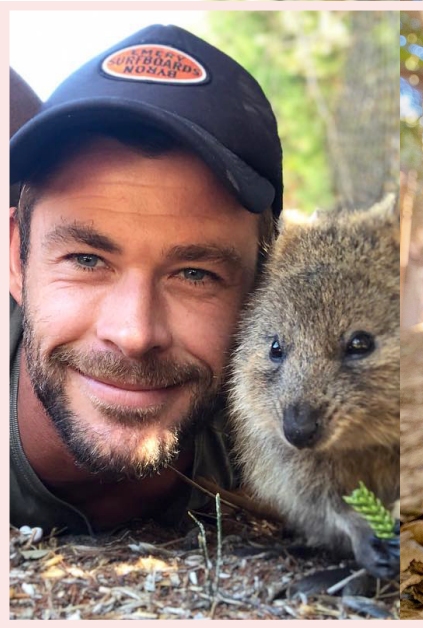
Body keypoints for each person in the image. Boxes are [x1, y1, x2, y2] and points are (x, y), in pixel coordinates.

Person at [9, 24, 283, 535]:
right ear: (16, 260)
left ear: (263, 294)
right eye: (87, 260)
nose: (134, 334)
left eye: (195, 274)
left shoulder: (298, 439)